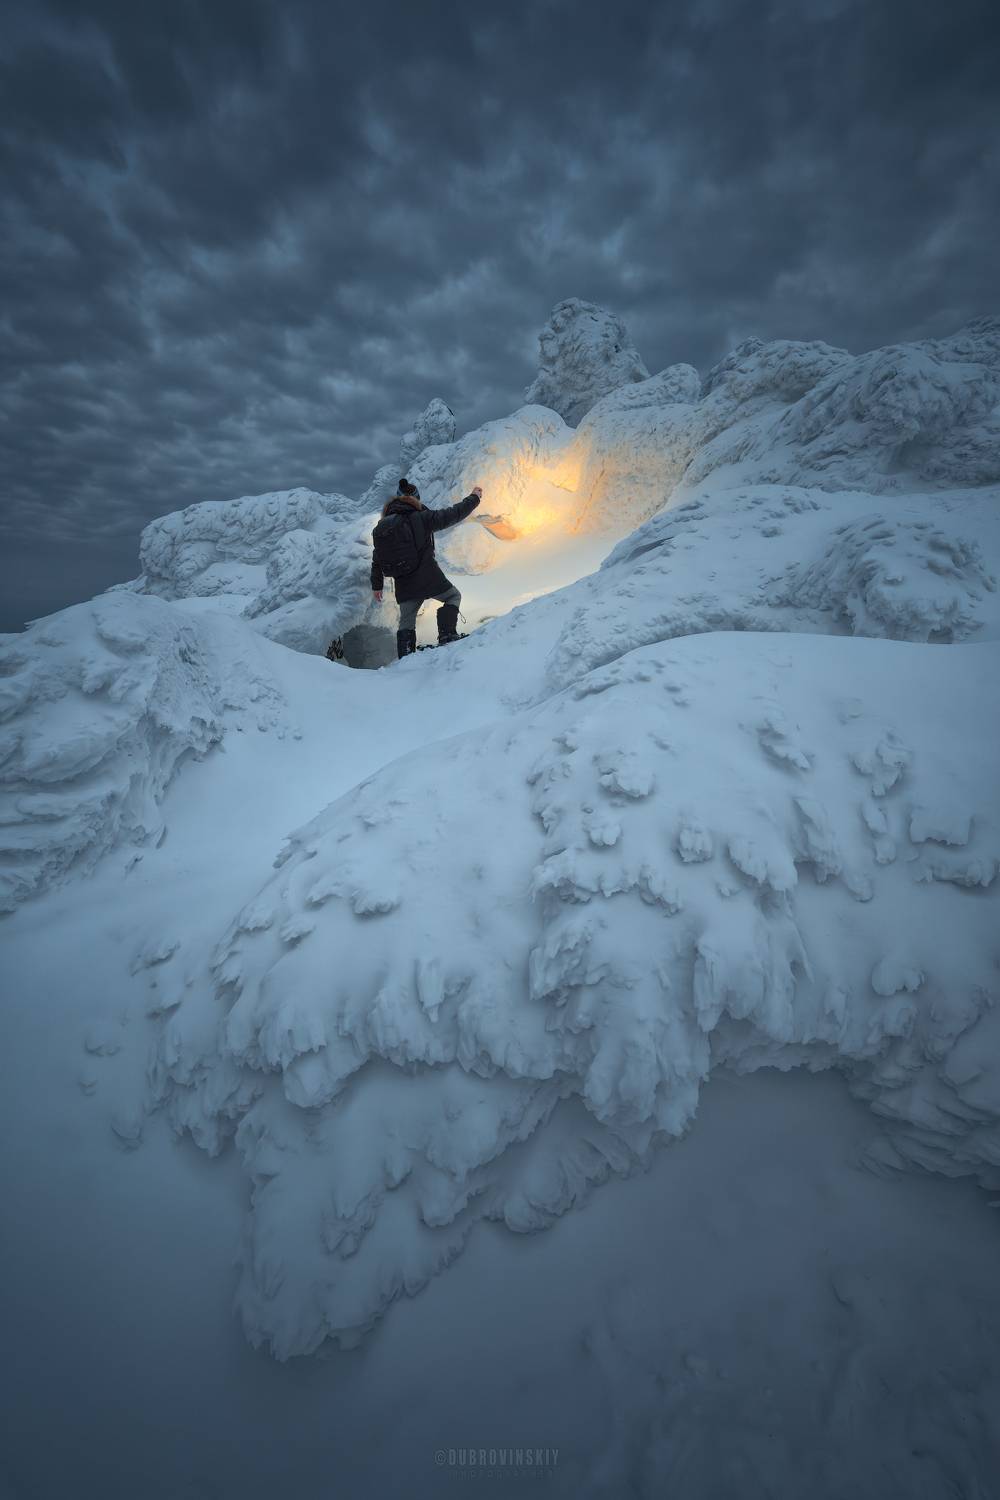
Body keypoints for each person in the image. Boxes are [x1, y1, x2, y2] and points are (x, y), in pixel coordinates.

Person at [372, 478, 483, 658]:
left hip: (404, 583)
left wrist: (376, 585)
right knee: (453, 596)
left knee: (406, 621)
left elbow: (377, 558)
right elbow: (453, 514)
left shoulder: (383, 526)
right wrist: (474, 498)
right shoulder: (421, 517)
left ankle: (406, 657)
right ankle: (447, 635)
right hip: (428, 576)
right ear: (416, 500)